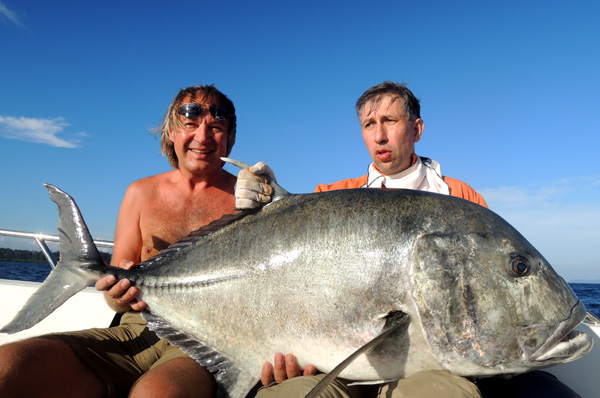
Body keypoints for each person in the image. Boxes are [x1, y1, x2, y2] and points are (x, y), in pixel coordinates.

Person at [235, 81, 580, 398]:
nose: (380, 135)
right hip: (337, 369)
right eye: (369, 125)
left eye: (390, 121)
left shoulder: (462, 200)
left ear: (416, 129)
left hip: (431, 369)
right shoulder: (330, 198)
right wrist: (261, 207)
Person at [0, 84, 238, 398]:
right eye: (190, 125)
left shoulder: (250, 201)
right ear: (170, 133)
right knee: (8, 366)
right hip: (135, 328)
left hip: (205, 339)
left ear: (230, 138)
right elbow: (114, 300)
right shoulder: (140, 193)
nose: (203, 137)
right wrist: (119, 291)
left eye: (217, 128)